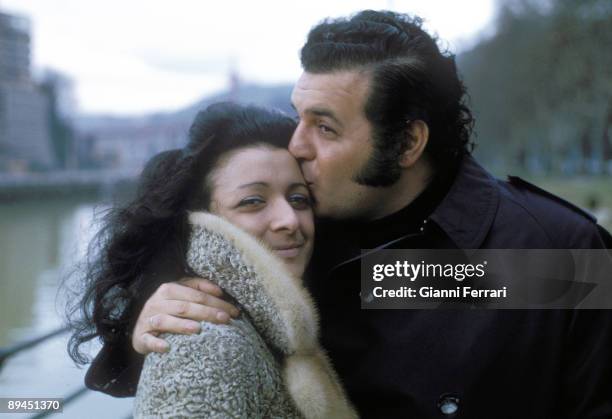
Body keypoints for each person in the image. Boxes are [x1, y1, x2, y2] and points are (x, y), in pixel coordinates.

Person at [88, 10, 612, 418]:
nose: (296, 144)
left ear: (406, 141)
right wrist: (150, 313)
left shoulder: (552, 253)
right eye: (298, 117)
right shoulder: (293, 230)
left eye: (326, 128)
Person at [67, 103, 357, 418]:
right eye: (253, 201)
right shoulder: (200, 341)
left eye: (298, 199)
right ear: (202, 216)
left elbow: (413, 284)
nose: (289, 219)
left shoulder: (342, 277)